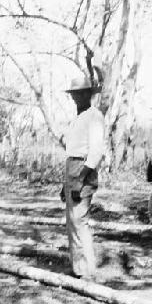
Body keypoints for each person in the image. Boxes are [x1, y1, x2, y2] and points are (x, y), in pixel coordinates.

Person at [61, 76, 105, 279]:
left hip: (83, 168)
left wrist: (79, 180)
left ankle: (88, 271)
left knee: (80, 220)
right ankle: (77, 268)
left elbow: (96, 152)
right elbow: (72, 149)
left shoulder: (94, 116)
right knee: (72, 221)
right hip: (71, 167)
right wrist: (66, 184)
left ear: (89, 94)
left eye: (79, 93)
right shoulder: (78, 118)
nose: (76, 98)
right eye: (73, 94)